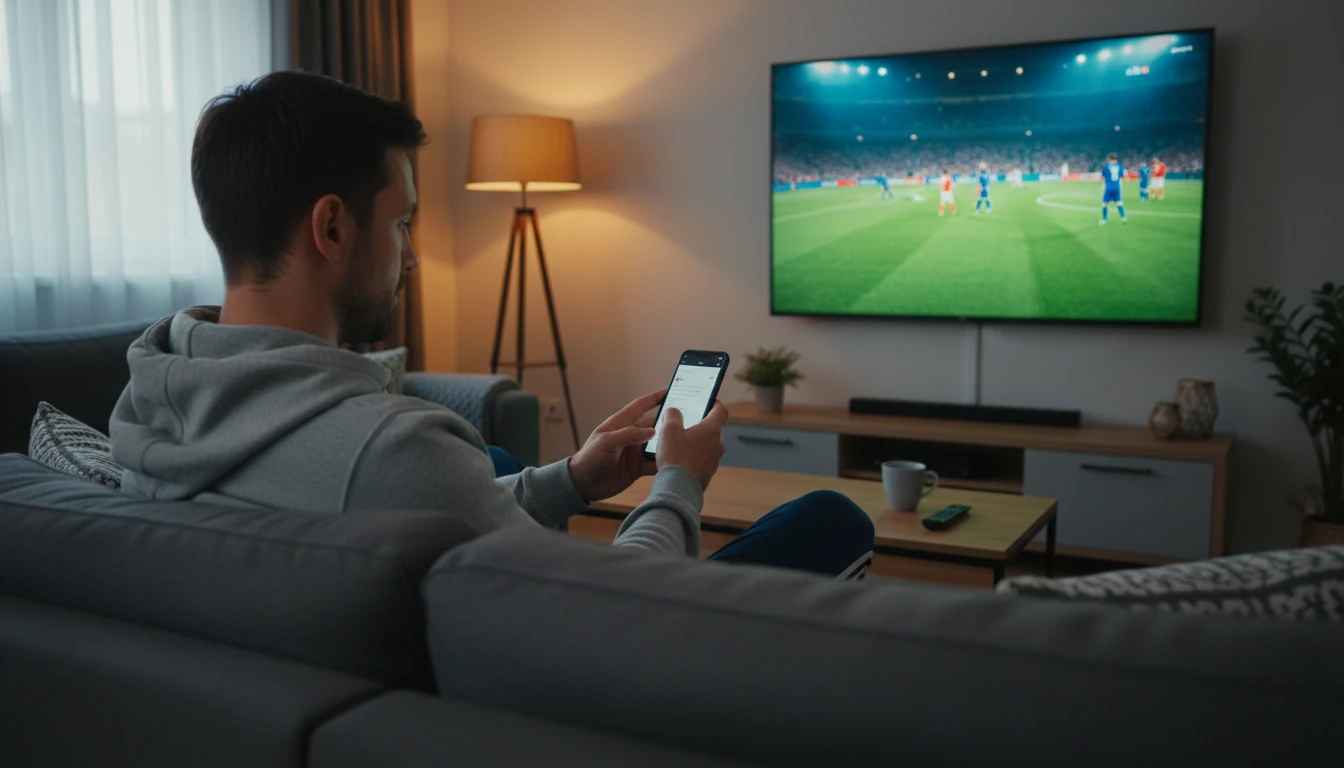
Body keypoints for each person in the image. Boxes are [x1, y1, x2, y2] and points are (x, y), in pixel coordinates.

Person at [108, 71, 874, 580]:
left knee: (503, 456)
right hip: (581, 674)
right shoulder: (392, 448)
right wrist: (677, 480)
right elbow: (617, 618)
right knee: (831, 517)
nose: (411, 255)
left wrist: (572, 479)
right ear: (332, 229)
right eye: (402, 222)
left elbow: (434, 502)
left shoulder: (147, 403)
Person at [1099, 153, 1128, 225]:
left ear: (1109, 158)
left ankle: (1105, 220)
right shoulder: (1120, 166)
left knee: (1104, 204)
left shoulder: (1106, 167)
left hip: (1109, 187)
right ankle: (1123, 218)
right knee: (1119, 202)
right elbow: (1123, 177)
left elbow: (1102, 179)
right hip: (1117, 187)